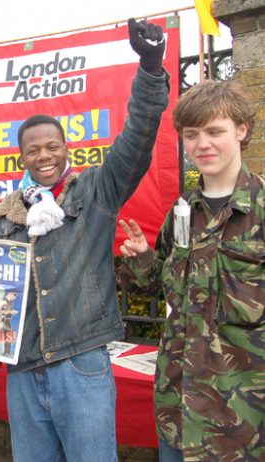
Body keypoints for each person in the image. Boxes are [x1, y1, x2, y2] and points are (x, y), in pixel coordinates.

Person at [0, 18, 169, 462]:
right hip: (24, 370)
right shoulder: (3, 219)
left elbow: (137, 141)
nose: (44, 156)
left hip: (82, 365)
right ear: (22, 156)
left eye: (52, 146)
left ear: (67, 147)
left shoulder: (96, 192)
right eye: (33, 150)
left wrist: (150, 68)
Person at [118, 80, 265, 461]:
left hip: (244, 423)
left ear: (241, 130)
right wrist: (142, 260)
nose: (203, 144)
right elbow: (164, 292)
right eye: (192, 134)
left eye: (215, 131)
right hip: (178, 412)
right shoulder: (183, 212)